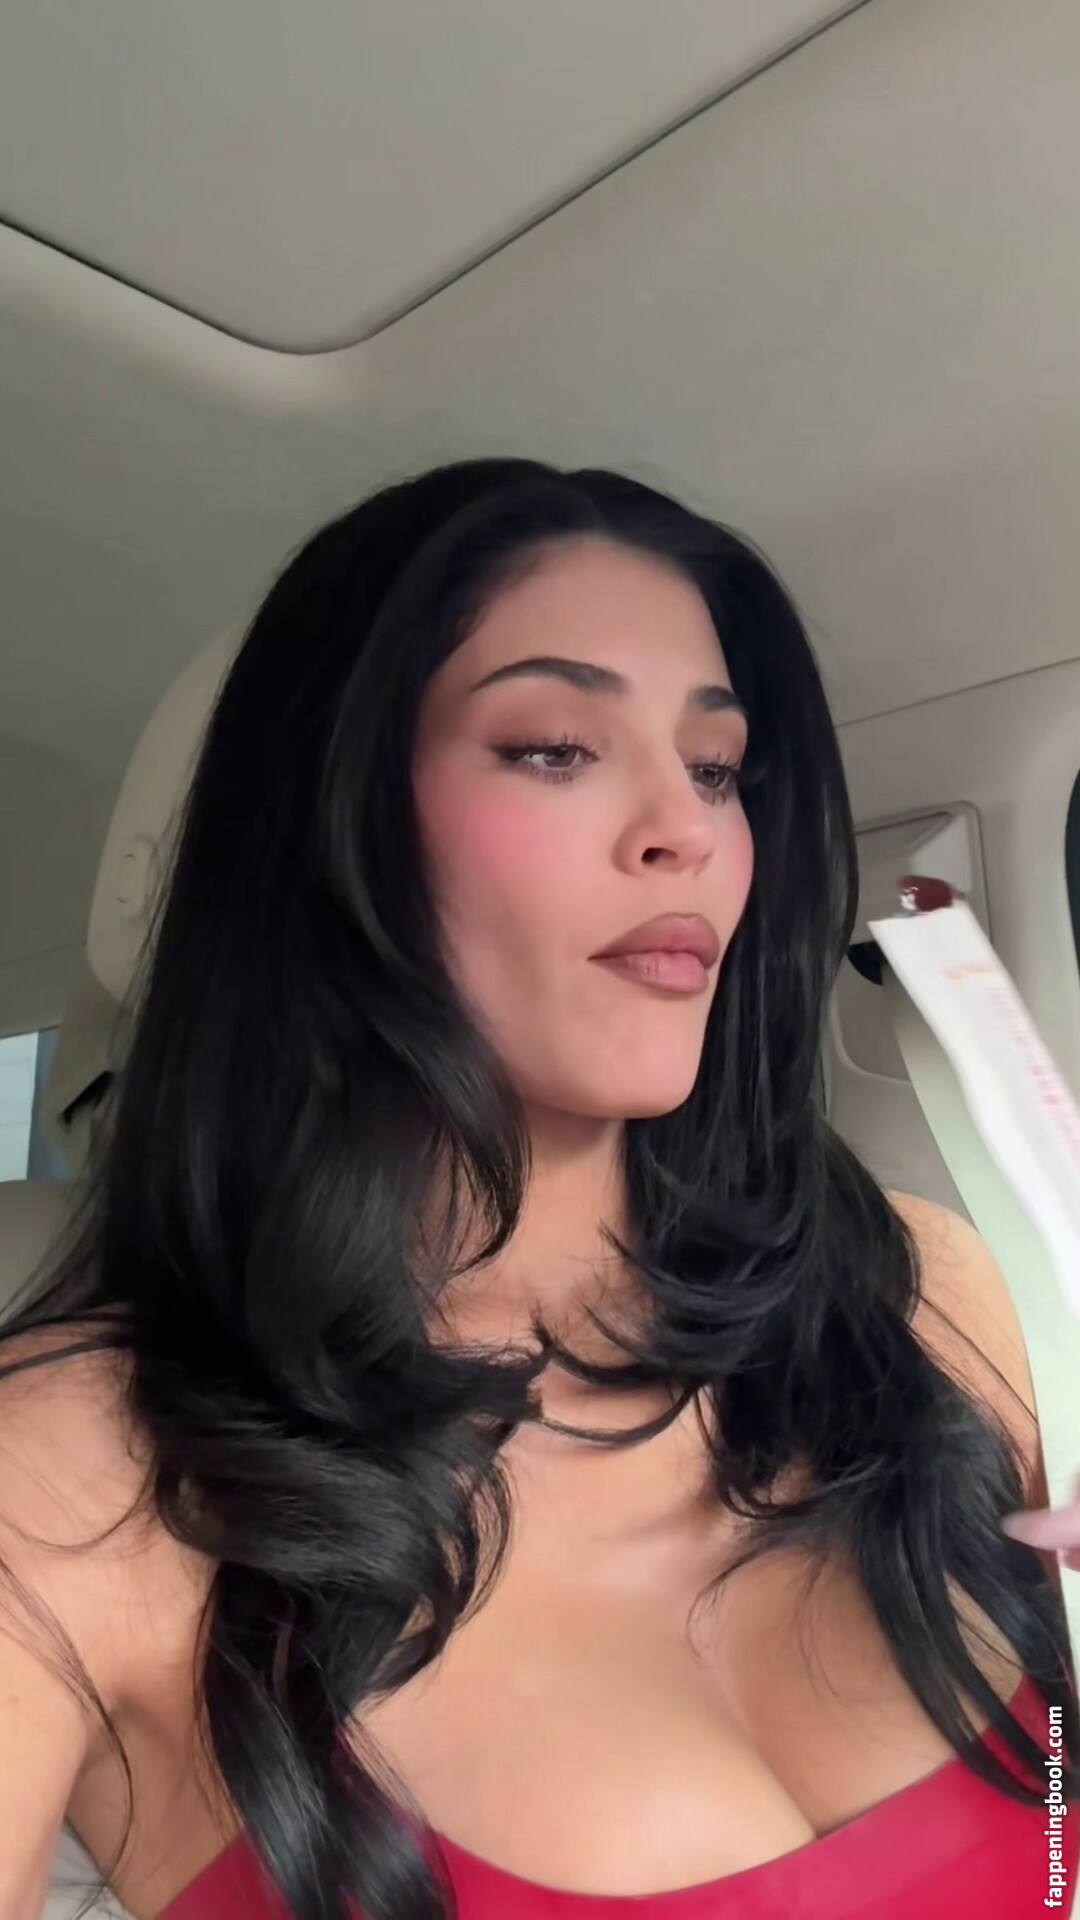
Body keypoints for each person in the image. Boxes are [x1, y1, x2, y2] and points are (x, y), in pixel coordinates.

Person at [0, 458, 1076, 1920]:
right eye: (556, 748)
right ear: (325, 826)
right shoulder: (70, 1474)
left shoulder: (915, 1298)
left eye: (717, 768)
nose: (686, 828)